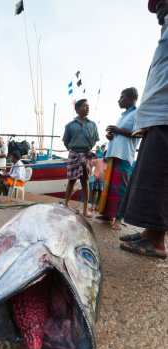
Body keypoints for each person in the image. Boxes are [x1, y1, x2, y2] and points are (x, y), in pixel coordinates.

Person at [119, 0, 168, 258]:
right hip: (158, 115)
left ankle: (157, 240)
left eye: (162, 3)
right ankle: (151, 232)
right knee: (151, 173)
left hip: (165, 115)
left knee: (159, 175)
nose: (158, 10)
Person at [96, 88, 140, 230]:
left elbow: (139, 133)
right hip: (113, 154)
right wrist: (111, 136)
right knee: (109, 189)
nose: (119, 100)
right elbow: (120, 134)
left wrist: (117, 131)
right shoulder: (122, 116)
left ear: (130, 97)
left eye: (121, 97)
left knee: (121, 188)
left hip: (124, 155)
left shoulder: (137, 113)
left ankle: (118, 220)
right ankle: (108, 215)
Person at [62, 99, 99, 217]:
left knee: (85, 181)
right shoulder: (69, 126)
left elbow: (94, 141)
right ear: (77, 109)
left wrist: (85, 151)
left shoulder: (92, 125)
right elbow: (66, 142)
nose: (87, 107)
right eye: (84, 106)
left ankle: (85, 209)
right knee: (71, 180)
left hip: (86, 154)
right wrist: (75, 151)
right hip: (74, 153)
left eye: (88, 105)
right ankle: (66, 204)